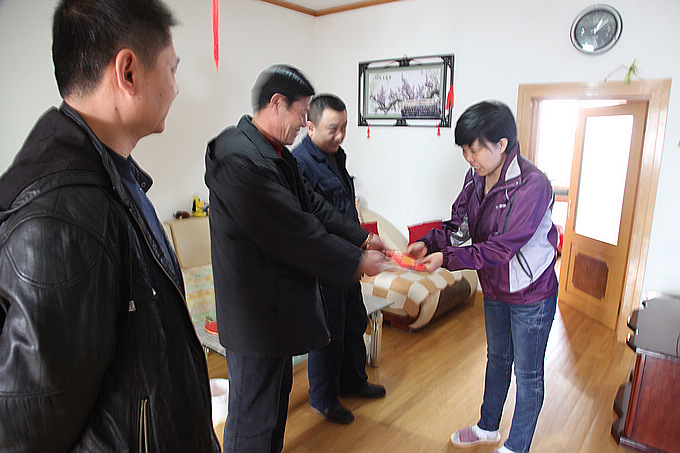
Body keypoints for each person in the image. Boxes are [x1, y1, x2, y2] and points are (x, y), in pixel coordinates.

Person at [0, 1, 220, 451]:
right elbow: (32, 430)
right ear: (128, 72)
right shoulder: (64, 219)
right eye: (172, 69)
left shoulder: (110, 175)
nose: (176, 87)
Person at [204, 65, 386, 452]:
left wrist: (363, 238)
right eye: (302, 113)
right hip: (254, 315)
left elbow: (312, 206)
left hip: (277, 309)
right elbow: (295, 232)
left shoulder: (275, 154)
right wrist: (354, 262)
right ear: (276, 103)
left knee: (274, 409)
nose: (305, 124)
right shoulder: (239, 160)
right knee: (253, 418)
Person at [407, 100, 559, 453]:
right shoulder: (475, 177)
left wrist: (448, 258)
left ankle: (517, 446)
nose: (468, 157)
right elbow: (459, 225)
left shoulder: (532, 184)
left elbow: (502, 248)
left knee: (528, 374)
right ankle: (488, 428)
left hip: (531, 293)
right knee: (498, 359)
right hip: (494, 286)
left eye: (473, 149)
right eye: (464, 149)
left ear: (501, 143)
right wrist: (429, 243)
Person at [291, 94, 386, 424]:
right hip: (326, 261)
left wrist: (361, 244)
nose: (340, 135)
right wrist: (360, 243)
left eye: (344, 127)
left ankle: (352, 381)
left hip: (349, 258)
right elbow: (320, 217)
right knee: (329, 332)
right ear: (310, 126)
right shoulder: (299, 163)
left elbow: (345, 207)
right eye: (333, 128)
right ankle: (323, 398)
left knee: (354, 321)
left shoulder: (335, 155)